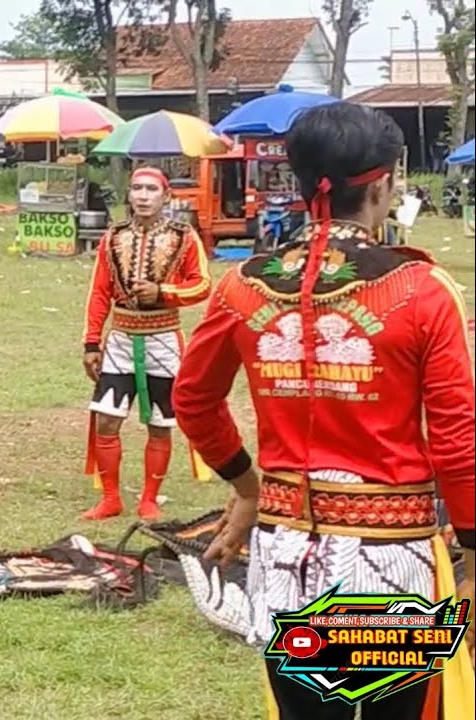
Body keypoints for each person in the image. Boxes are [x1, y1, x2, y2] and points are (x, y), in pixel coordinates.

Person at [172, 102, 475, 720]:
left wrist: (249, 488)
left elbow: (194, 400)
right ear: (386, 181)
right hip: (390, 565)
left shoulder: (244, 286)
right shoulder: (421, 289)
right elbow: (458, 437)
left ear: (303, 182)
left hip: (286, 560)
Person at [81, 166, 211, 521]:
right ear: (129, 194)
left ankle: (149, 499)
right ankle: (110, 498)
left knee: (160, 422)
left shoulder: (184, 237)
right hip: (121, 338)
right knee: (106, 419)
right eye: (137, 188)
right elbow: (100, 292)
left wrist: (164, 292)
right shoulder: (113, 236)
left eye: (151, 189)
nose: (142, 195)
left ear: (165, 196)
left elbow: (202, 285)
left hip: (164, 339)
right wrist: (92, 343)